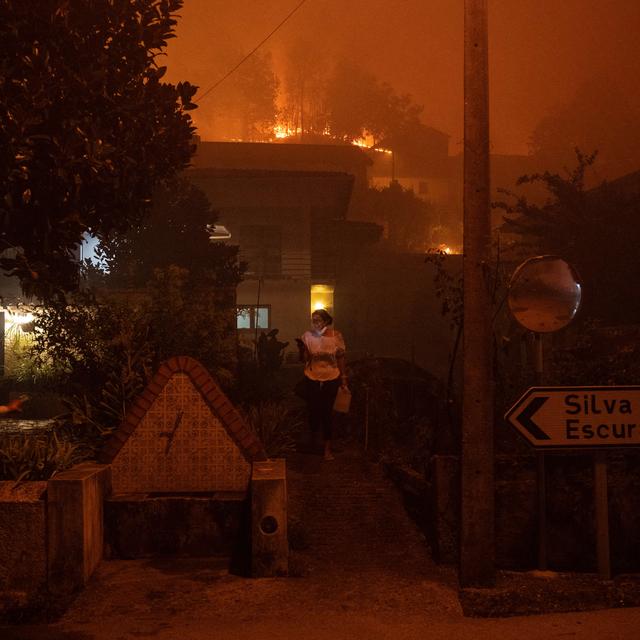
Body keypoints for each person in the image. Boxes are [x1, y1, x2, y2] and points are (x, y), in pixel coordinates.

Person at [300, 309, 348, 460]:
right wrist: (302, 350)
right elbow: (305, 359)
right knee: (313, 409)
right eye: (313, 320)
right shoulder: (307, 336)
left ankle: (327, 448)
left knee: (327, 412)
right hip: (312, 376)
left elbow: (340, 359)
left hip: (331, 377)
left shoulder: (335, 336)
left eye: (318, 320)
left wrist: (344, 379)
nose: (315, 323)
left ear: (326, 321)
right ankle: (313, 440)